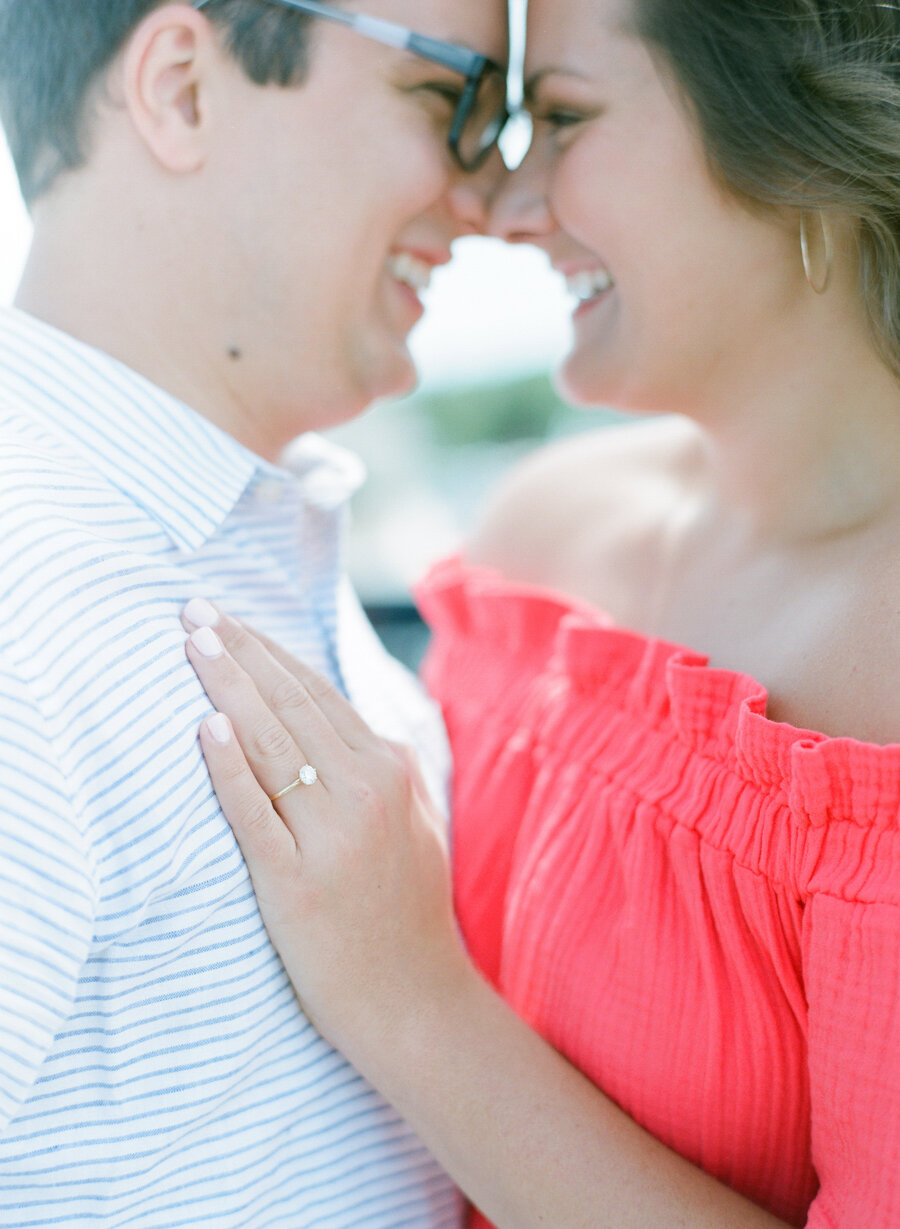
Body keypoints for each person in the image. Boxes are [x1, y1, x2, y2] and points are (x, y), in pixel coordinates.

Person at [179, 0, 900, 1226]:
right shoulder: (537, 539)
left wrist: (415, 1001)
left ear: (798, 133)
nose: (503, 208)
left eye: (564, 117)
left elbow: (396, 970)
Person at [0, 0, 509, 1223]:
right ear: (181, 87)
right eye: (452, 102)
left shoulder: (250, 541)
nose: (488, 197)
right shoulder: (24, 606)